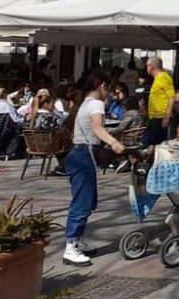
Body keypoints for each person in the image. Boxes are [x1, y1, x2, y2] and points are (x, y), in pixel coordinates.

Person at [62, 74, 125, 267]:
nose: (109, 92)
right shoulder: (96, 103)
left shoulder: (85, 102)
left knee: (86, 200)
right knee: (82, 202)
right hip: (83, 155)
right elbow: (97, 128)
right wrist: (114, 142)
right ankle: (71, 246)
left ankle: (77, 240)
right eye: (108, 88)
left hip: (77, 154)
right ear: (102, 86)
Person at [142, 57, 174, 148]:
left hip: (160, 117)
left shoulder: (164, 77)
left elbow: (171, 97)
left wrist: (167, 117)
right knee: (154, 144)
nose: (146, 68)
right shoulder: (157, 79)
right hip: (155, 117)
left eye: (147, 66)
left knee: (147, 143)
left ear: (151, 67)